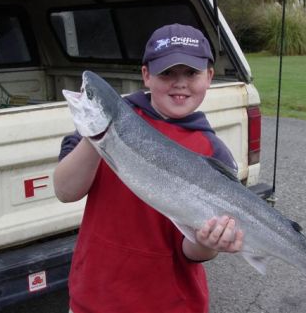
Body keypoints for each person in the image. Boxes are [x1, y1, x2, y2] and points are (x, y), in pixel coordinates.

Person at [54, 23, 244, 313]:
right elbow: (65, 191)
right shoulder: (113, 121)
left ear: (209, 77)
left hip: (170, 305)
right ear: (146, 75)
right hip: (92, 299)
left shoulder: (213, 152)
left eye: (191, 73)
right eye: (167, 72)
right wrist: (99, 134)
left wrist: (208, 243)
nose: (180, 83)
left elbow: (192, 252)